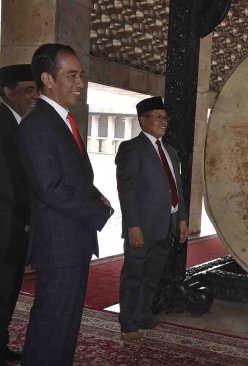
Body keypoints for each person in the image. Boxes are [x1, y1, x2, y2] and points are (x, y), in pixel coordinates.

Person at [16, 44, 114, 365]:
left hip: (73, 241)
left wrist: (94, 193)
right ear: (47, 78)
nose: (80, 82)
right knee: (51, 327)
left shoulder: (63, 120)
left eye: (81, 75)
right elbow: (50, 188)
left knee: (65, 327)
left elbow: (71, 178)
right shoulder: (37, 124)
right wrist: (98, 211)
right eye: (71, 75)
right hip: (59, 245)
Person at [115, 96, 188, 342]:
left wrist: (182, 219)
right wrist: (132, 225)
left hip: (165, 225)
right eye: (157, 117)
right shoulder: (131, 149)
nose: (163, 122)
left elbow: (177, 187)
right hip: (142, 228)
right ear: (142, 120)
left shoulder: (171, 151)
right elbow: (126, 191)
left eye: (165, 117)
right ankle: (128, 323)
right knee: (134, 275)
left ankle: (144, 315)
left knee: (153, 275)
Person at [0, 64, 38, 365]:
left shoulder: (18, 124)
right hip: (6, 227)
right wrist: (26, 218)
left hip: (12, 227)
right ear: (7, 93)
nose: (35, 96)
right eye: (28, 91)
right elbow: (8, 184)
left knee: (8, 291)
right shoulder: (4, 124)